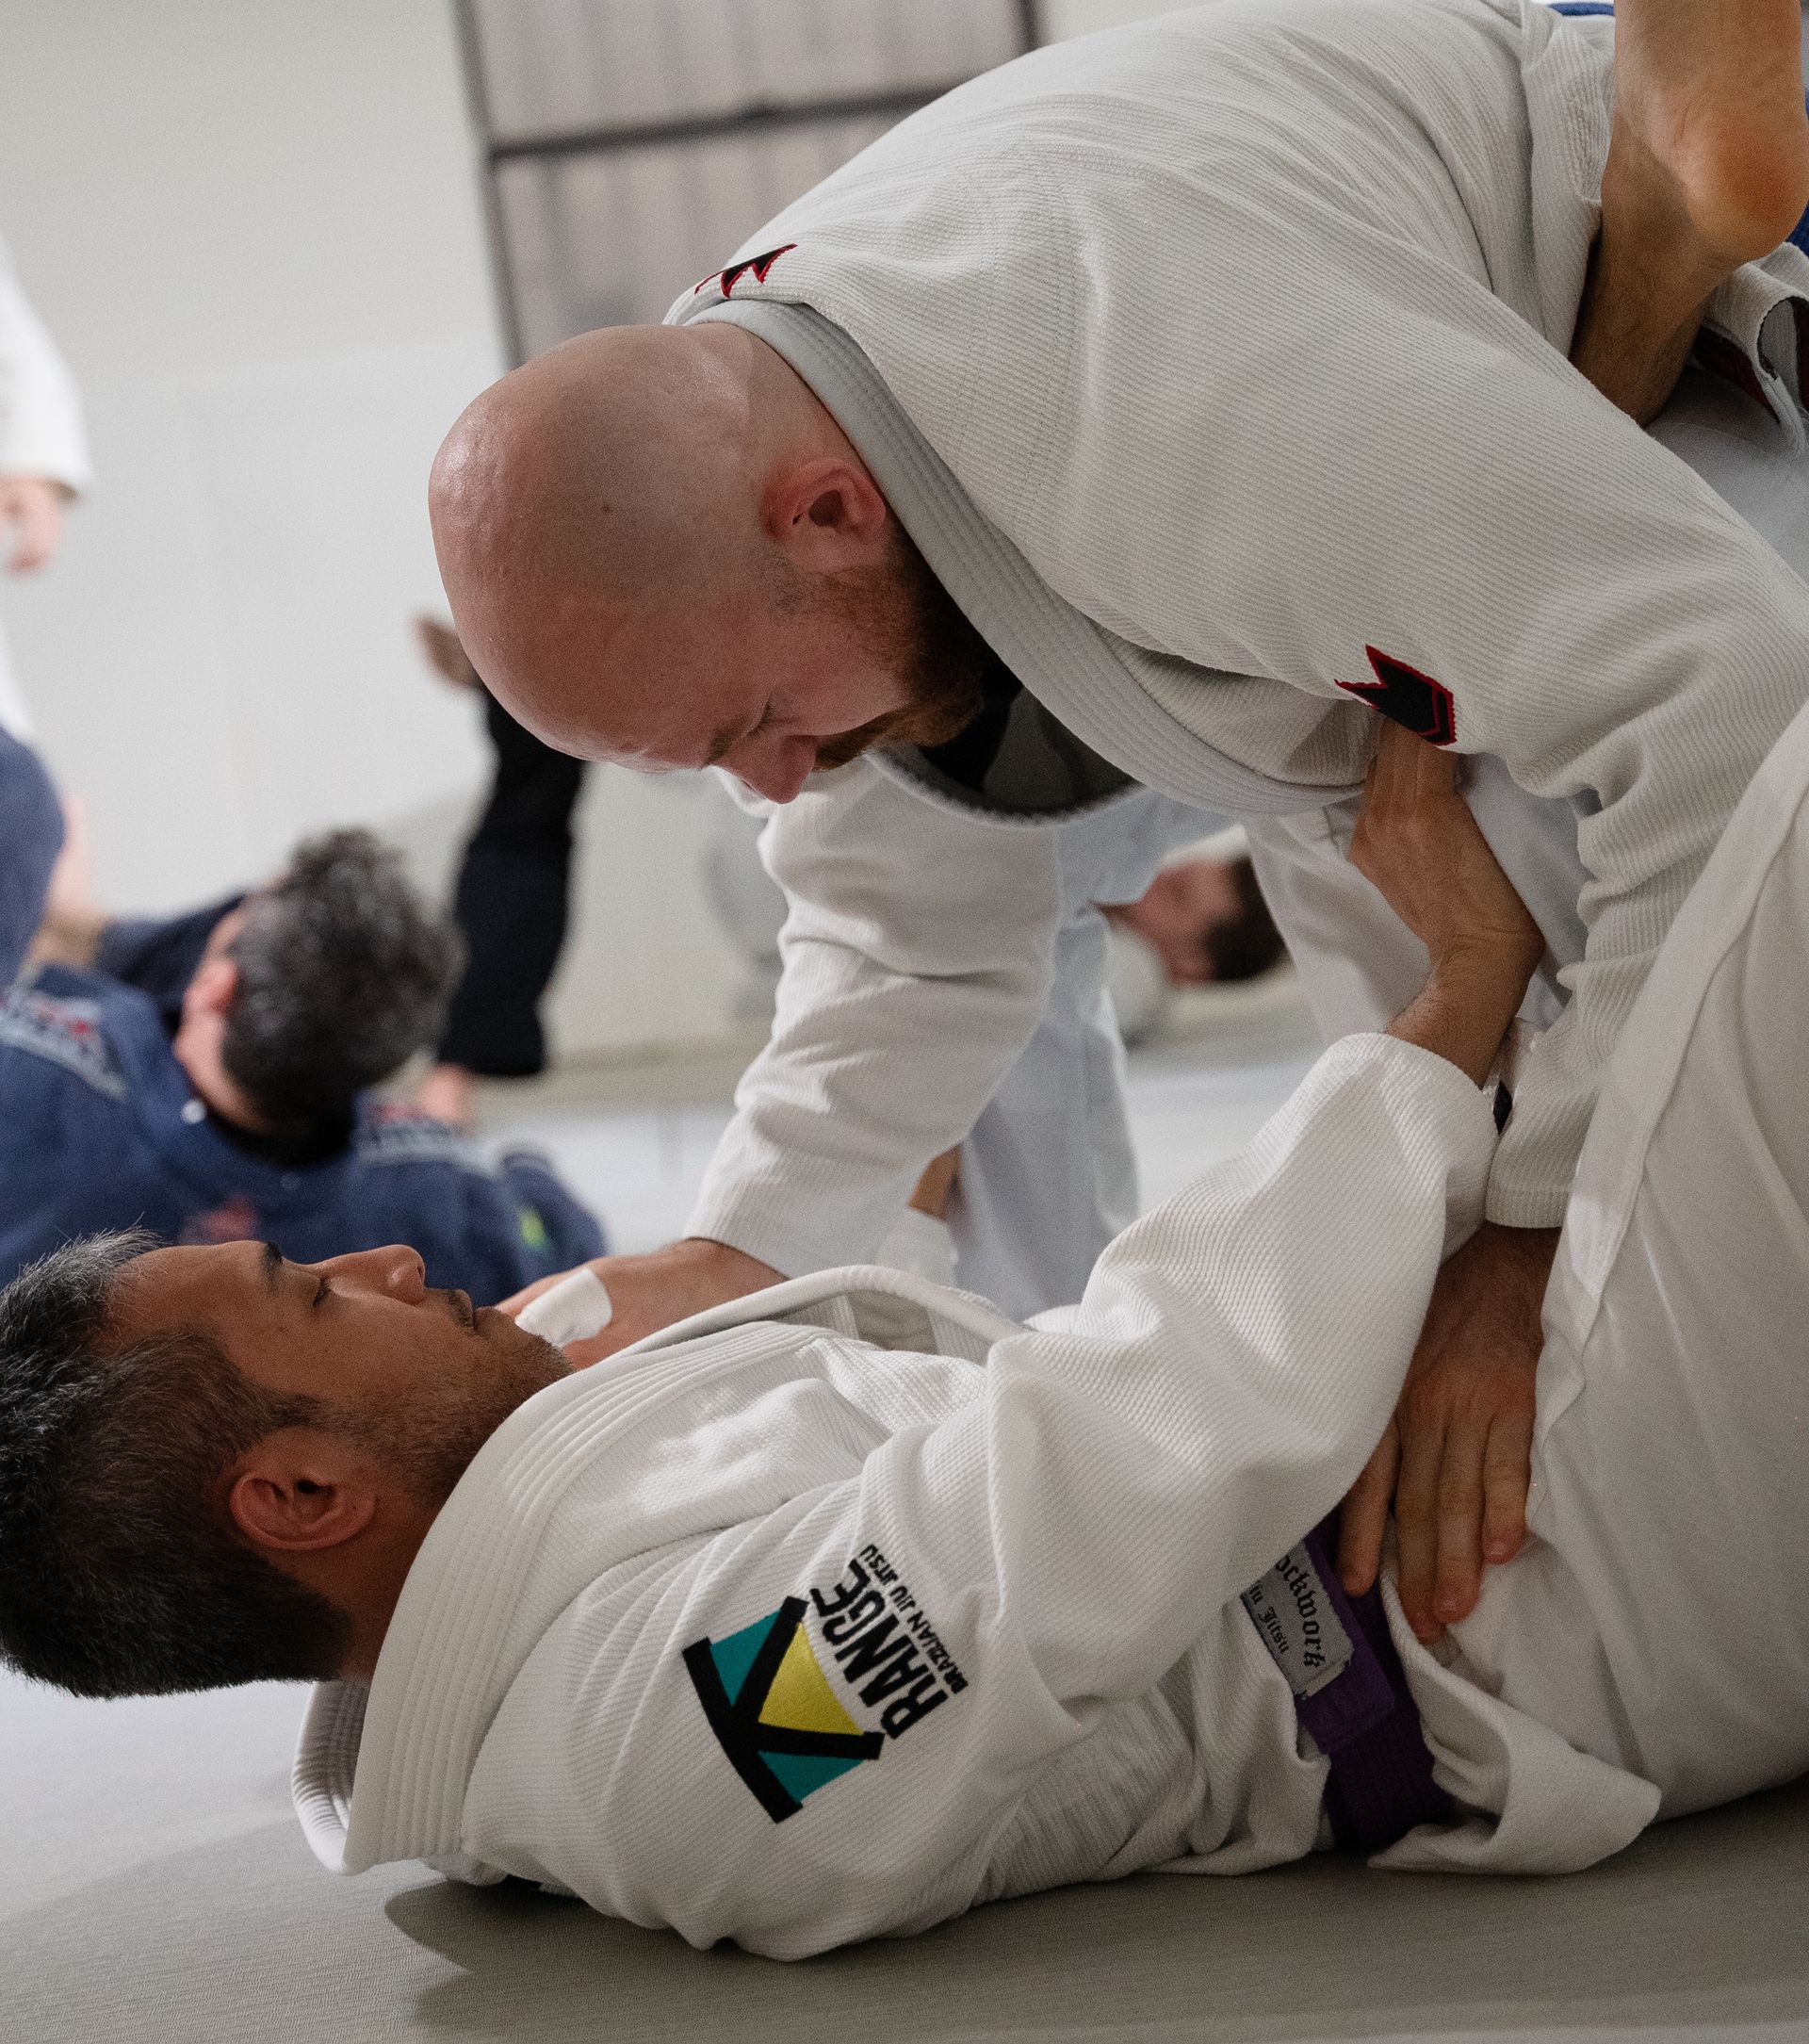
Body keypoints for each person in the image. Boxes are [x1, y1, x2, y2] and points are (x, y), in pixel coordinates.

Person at [426, 0, 1809, 1645]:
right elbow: (901, 935)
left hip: (1613, 365)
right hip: (1347, 654)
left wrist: (1530, 1239)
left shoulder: (1154, 389)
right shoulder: (776, 430)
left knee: (1650, 1184)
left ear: (829, 513)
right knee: (1420, 1227)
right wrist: (739, 1251)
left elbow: (1721, 694)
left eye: (752, 728)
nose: (774, 786)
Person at [5, 711, 1806, 1961]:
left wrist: (820, 1191)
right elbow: (1104, 1474)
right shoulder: (671, 1754)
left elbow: (840, 1359)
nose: (386, 1251)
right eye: (318, 1297)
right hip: (1515, 1591)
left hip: (1409, 1436)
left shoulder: (494, 1452)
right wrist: (1459, 987)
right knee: (1776, 809)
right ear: (304, 1489)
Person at [0, 823, 604, 1301]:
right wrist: (522, 1169)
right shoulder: (434, 1197)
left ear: (214, 986)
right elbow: (573, 1262)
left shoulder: (26, 1071)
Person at [409, 617, 588, 1132]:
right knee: (476, 998)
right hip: (513, 860)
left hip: (523, 854)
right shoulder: (545, 691)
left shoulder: (554, 690)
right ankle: (441, 1118)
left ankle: (443, 1112)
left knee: (488, 989)